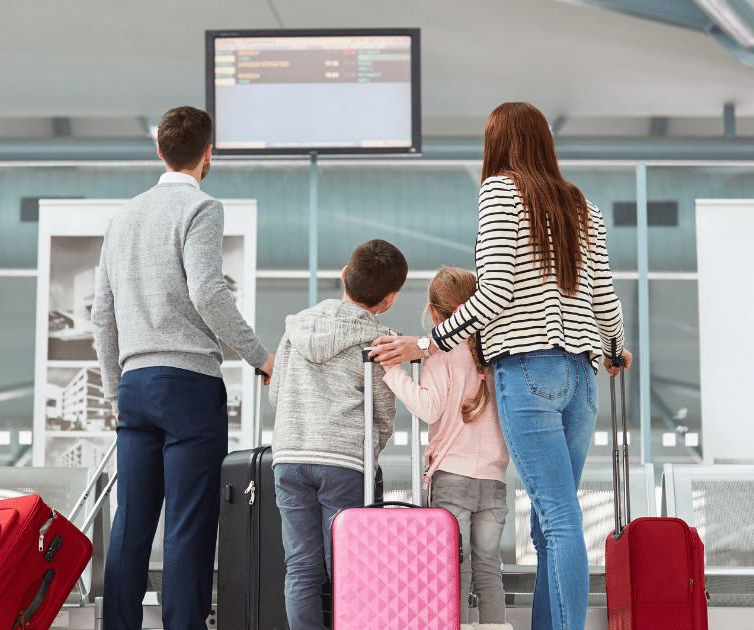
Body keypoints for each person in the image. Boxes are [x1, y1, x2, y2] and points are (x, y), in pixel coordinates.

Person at [371, 102, 633, 630]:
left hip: (529, 370)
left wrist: (430, 343)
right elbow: (604, 297)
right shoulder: (584, 207)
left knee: (557, 517)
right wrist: (613, 348)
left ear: (498, 144)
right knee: (551, 517)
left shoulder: (500, 194)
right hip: (582, 376)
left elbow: (494, 293)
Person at [91, 105, 275, 630]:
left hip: (135, 386)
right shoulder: (201, 208)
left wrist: (114, 389)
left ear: (159, 151)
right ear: (207, 153)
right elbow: (209, 293)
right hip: (189, 385)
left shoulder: (122, 217)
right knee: (188, 527)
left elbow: (101, 313)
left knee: (131, 524)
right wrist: (261, 358)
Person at [269, 239, 408, 630]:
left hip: (290, 458)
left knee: (300, 569)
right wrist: (368, 452)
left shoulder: (297, 326)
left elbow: (277, 392)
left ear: (345, 275)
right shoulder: (380, 340)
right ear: (391, 298)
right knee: (348, 569)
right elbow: (383, 412)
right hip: (344, 462)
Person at [381, 266, 511, 630]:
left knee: (453, 566)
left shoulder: (441, 351)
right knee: (488, 567)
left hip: (452, 476)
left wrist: (394, 373)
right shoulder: (497, 353)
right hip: (494, 480)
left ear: (435, 314)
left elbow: (429, 408)